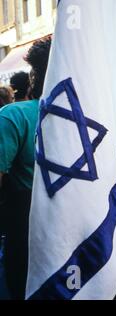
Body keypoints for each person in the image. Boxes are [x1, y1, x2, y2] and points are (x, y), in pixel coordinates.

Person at [0, 37, 52, 299]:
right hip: (85, 246)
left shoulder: (13, 116)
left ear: (34, 75)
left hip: (25, 242)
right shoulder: (98, 121)